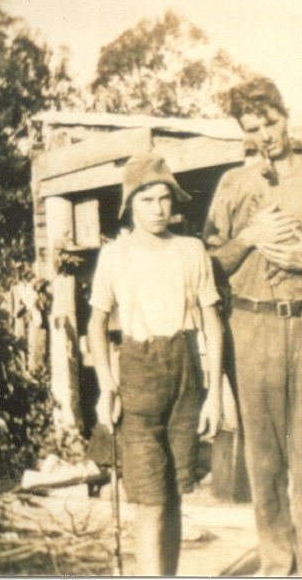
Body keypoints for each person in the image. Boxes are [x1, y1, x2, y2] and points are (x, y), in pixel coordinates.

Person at [203, 77, 302, 576]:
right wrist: (250, 236)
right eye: (252, 129)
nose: (265, 135)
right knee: (263, 457)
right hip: (250, 326)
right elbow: (210, 265)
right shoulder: (233, 185)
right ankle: (276, 562)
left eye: (270, 123)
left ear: (286, 117)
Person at [88, 153, 223, 576]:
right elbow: (95, 324)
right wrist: (106, 386)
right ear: (130, 204)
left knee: (176, 492)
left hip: (185, 375)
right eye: (147, 200)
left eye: (165, 198)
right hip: (137, 377)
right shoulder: (115, 255)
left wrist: (215, 396)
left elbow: (212, 323)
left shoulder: (191, 249)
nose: (158, 209)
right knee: (150, 500)